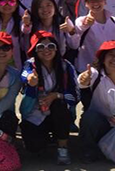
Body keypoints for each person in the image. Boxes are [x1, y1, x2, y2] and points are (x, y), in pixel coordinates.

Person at [20, 31, 79, 164]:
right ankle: (45, 138)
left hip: (58, 112)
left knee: (59, 106)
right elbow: (24, 74)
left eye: (51, 46)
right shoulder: (30, 64)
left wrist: (57, 95)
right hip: (35, 111)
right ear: (35, 50)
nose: (46, 50)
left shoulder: (65, 66)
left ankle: (62, 147)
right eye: (41, 47)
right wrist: (30, 79)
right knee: (34, 147)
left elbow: (75, 95)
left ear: (57, 49)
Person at [75, 0, 115, 72]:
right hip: (87, 69)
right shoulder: (80, 21)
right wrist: (85, 25)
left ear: (105, 2)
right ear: (86, 4)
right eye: (91, 0)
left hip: (111, 70)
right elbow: (74, 42)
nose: (96, 3)